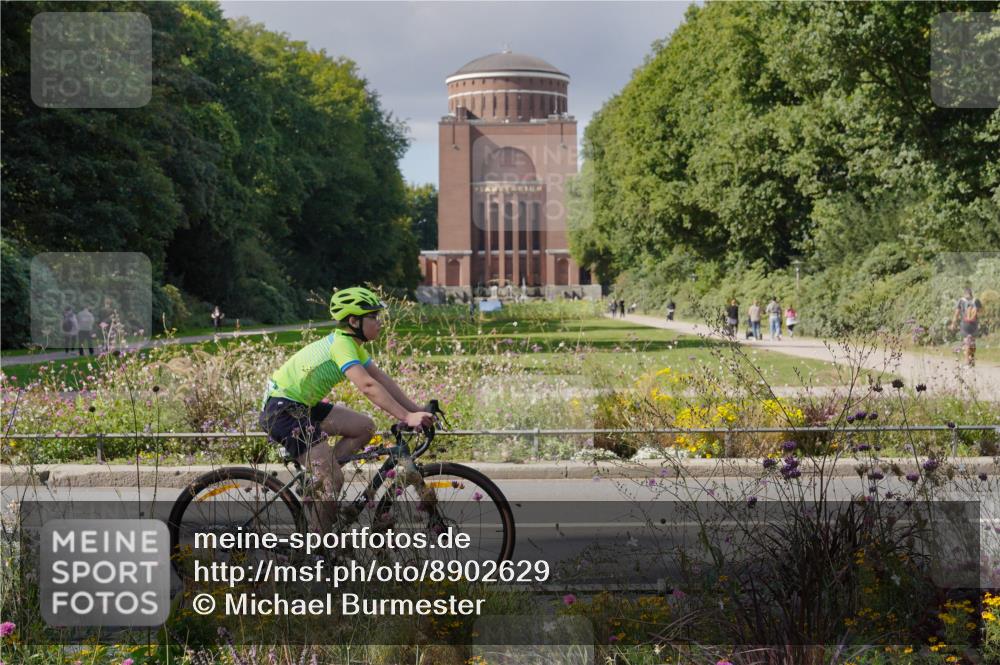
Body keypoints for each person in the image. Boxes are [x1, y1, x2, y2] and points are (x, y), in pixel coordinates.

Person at [258, 287, 433, 533]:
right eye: (374, 317)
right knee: (333, 480)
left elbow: (380, 379)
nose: (379, 322)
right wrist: (406, 416)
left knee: (364, 427)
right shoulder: (341, 345)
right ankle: (317, 548)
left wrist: (415, 410)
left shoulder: (352, 344)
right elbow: (368, 386)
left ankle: (319, 482)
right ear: (354, 321)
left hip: (302, 405)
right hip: (283, 410)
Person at [951, 287, 983, 367]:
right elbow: (980, 312)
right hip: (974, 325)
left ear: (964, 293)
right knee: (972, 342)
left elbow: (956, 313)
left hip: (965, 324)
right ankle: (971, 360)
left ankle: (967, 362)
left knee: (966, 342)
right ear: (971, 293)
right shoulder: (976, 300)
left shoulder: (961, 301)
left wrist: (953, 323)